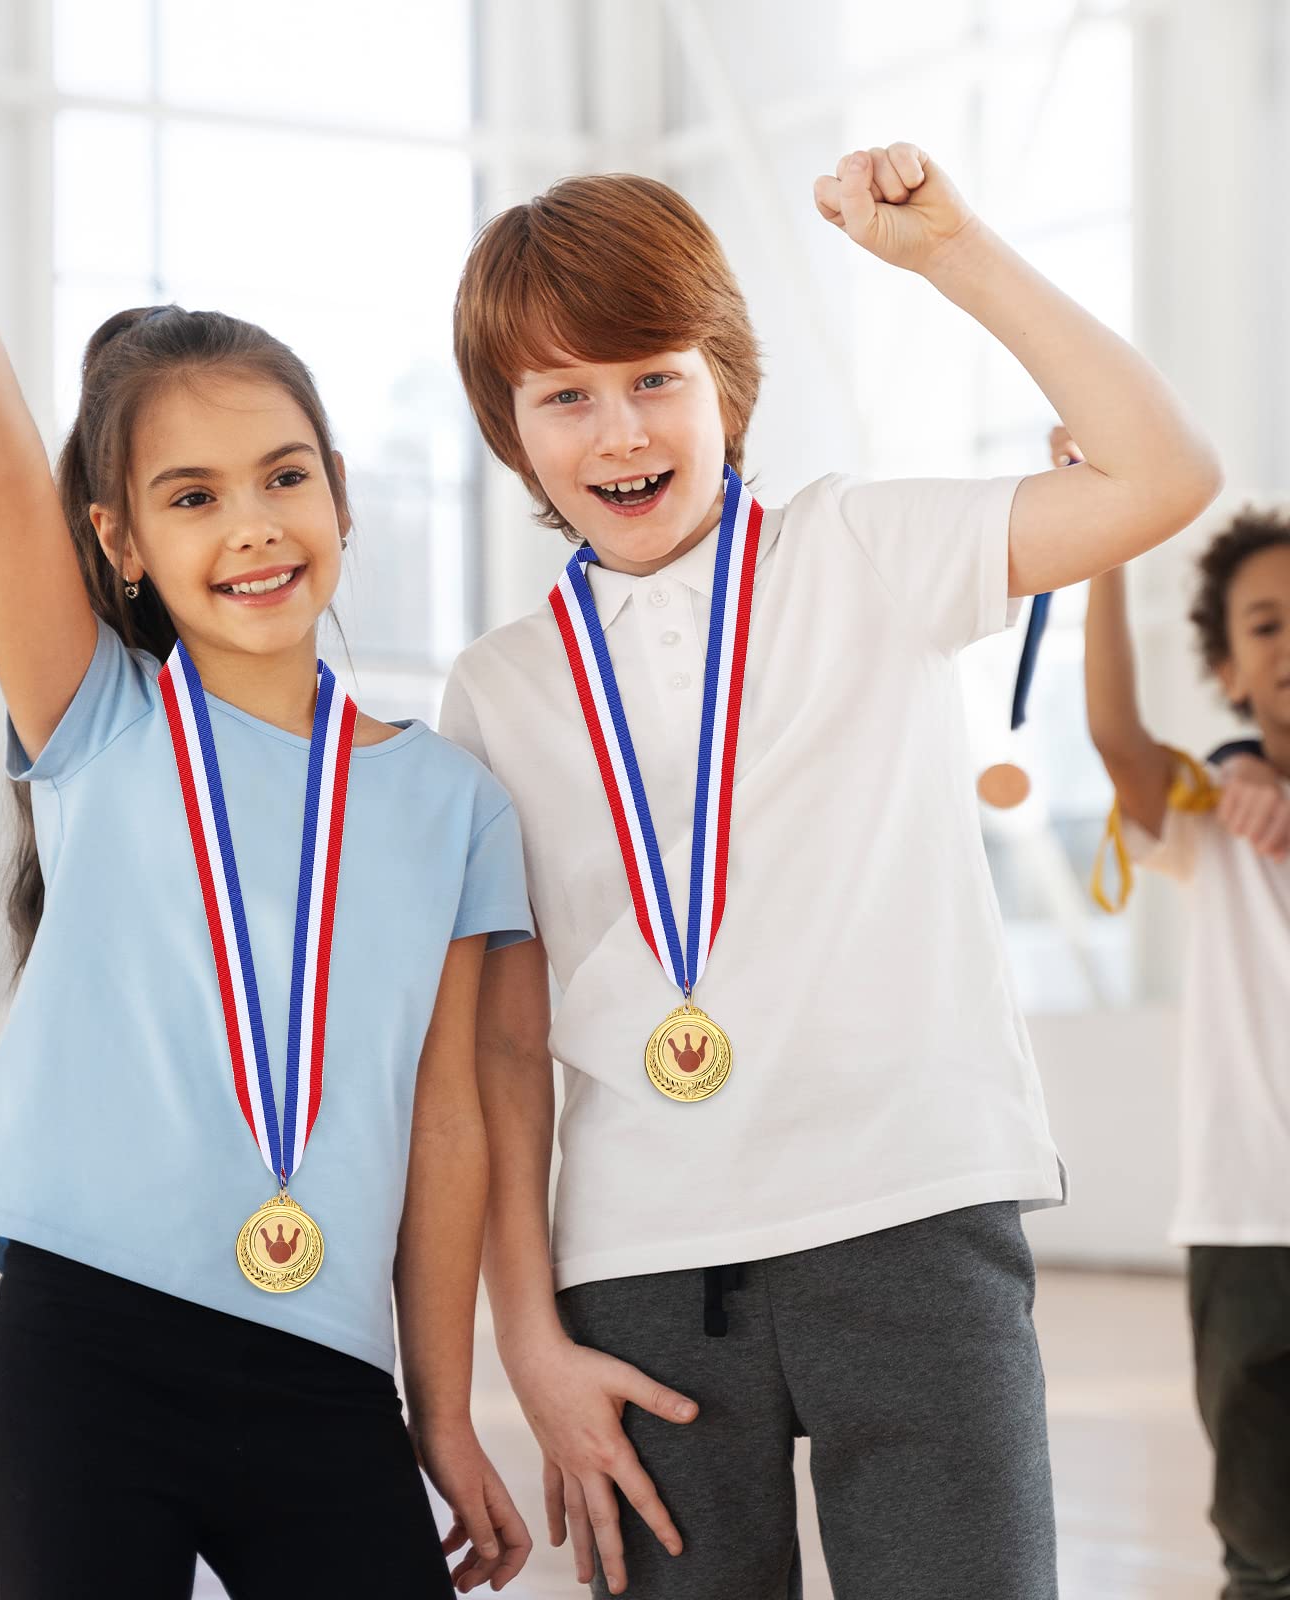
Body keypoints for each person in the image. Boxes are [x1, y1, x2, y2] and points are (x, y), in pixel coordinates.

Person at [0, 21, 532, 1598]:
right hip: (85, 1355)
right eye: (192, 498)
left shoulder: (450, 798)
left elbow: (448, 1119)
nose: (252, 528)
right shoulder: (101, 725)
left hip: (328, 1374)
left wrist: (447, 1411)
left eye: (284, 477)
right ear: (119, 542)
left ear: (340, 492)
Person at [441, 153, 1222, 1598]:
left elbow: (1163, 475)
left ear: (727, 381)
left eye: (654, 377)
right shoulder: (494, 692)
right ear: (512, 432)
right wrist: (528, 1337)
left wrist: (955, 252)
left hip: (917, 1217)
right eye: (564, 396)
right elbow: (501, 1044)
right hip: (642, 1273)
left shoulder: (863, 551)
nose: (619, 429)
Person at [1078, 431, 1290, 1599]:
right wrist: (1104, 553)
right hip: (1249, 1223)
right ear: (1223, 665)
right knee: (1261, 1542)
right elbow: (1116, 739)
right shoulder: (1213, 816)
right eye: (1264, 624)